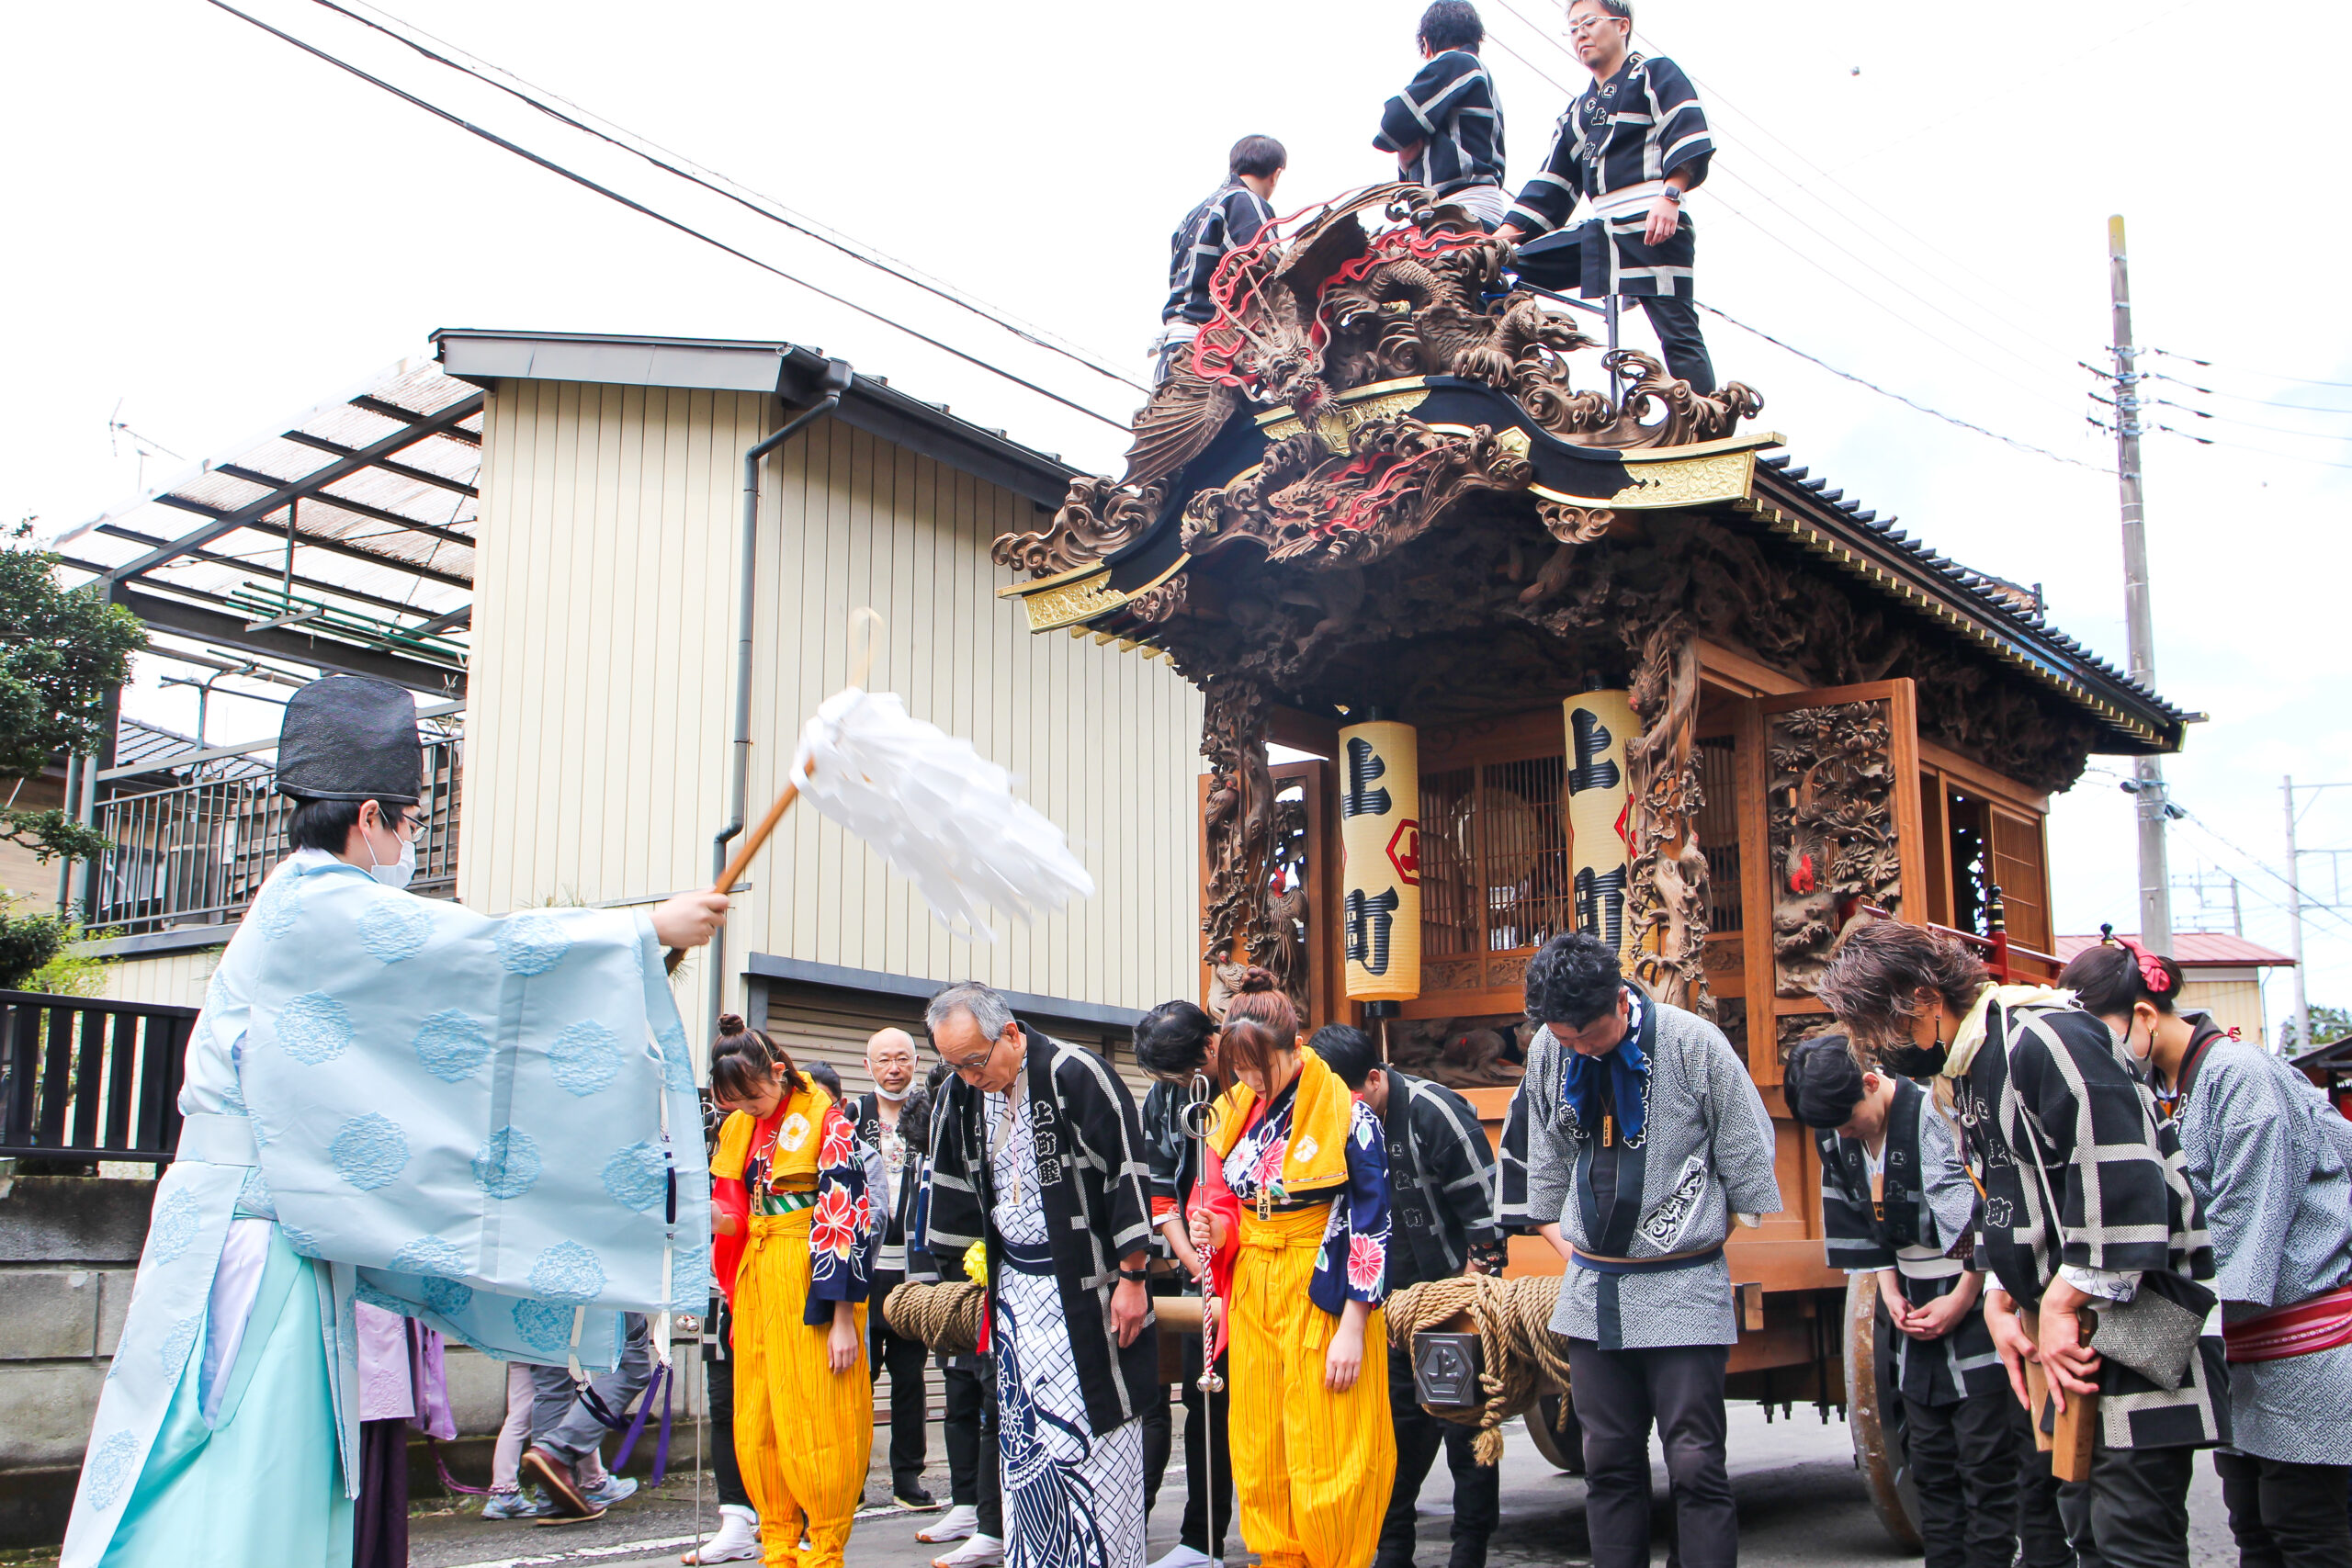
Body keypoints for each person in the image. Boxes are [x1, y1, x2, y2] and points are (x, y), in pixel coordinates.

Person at [60, 676, 722, 1568]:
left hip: (268, 1235)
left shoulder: (305, 904)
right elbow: (480, 956)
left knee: (254, 1481)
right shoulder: (319, 904)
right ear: (369, 815)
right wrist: (645, 928)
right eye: (410, 823)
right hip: (257, 1251)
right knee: (242, 1489)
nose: (410, 840)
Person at [1816, 921, 2225, 1568]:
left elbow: (2123, 1178)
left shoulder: (2045, 1035)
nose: (1877, 1053)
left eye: (1880, 1031)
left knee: (2132, 1531)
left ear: (1924, 998)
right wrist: (2002, 1295)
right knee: (2080, 1519)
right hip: (2065, 1318)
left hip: (2137, 1307)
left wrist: (2061, 1301)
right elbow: (2005, 1199)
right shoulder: (1972, 1065)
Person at [2060, 937, 2352, 1568]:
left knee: (2306, 1527)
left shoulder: (2242, 1074)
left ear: (2143, 1015)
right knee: (2253, 1523)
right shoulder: (2163, 1089)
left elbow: (2243, 1235)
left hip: (2307, 1337)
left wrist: (2121, 1339)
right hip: (2242, 1341)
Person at [1516, 931, 1780, 1568]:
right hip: (1595, 1289)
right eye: (1562, 1036)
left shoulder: (1694, 1043)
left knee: (1695, 1461)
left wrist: (1696, 1233)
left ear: (1616, 1002)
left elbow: (1746, 1158)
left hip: (1683, 1281)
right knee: (1607, 1459)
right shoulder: (1553, 1048)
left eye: (1583, 1034)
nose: (1572, 1046)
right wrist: (1575, 1251)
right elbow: (1545, 1166)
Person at [923, 981, 1158, 1568]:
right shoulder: (961, 1093)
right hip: (1012, 1292)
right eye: (955, 1065)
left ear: (1009, 1032)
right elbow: (952, 1193)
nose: (970, 1076)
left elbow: (1126, 1176)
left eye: (976, 1061)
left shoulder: (1077, 1074)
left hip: (1088, 1287)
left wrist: (1133, 1279)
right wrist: (961, 1281)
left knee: (1095, 1435)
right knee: (1023, 1439)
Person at [1785, 1035, 2018, 1568]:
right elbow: (1853, 1219)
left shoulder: (1932, 1112)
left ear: (1872, 1083)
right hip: (1909, 1297)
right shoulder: (1834, 1133)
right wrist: (1887, 1287)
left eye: (1847, 1119)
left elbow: (1979, 1216)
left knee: (1985, 1458)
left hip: (1974, 1289)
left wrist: (1963, 1297)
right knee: (1929, 1459)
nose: (1842, 1132)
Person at [1189, 971, 1395, 1568]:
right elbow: (1239, 1206)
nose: (1252, 1080)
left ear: (1294, 1044)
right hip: (1257, 1276)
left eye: (1262, 1065)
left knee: (1327, 1436)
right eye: (1241, 1067)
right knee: (1259, 1436)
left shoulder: (1350, 1117)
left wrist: (1354, 1324)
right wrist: (1218, 1229)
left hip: (1320, 1282)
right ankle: (1277, 1555)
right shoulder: (1233, 1110)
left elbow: (1371, 1223)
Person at [1307, 1024, 1502, 1568]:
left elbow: (1486, 1221)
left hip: (1448, 1304)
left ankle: (1470, 1551)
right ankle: (1393, 1552)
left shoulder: (1433, 1112)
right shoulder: (1332, 1120)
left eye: (1348, 1098)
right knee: (1388, 1444)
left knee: (1463, 1434)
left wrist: (1464, 1302)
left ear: (1374, 1078)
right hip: (1376, 1308)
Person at [709, 1021, 880, 1568]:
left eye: (753, 1096)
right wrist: (701, 1216)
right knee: (757, 1414)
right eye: (735, 1102)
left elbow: (844, 1219)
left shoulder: (828, 1122)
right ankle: (777, 1542)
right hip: (757, 1276)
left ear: (779, 1073)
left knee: (816, 1411)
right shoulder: (737, 1127)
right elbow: (735, 1214)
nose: (749, 1110)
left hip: (809, 1275)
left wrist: (843, 1318)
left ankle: (825, 1544)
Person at [1496, 0, 1719, 392]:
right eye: (1573, 27)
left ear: (1621, 25)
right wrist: (1496, 243)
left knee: (1678, 333)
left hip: (1653, 221)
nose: (1580, 32)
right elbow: (1551, 184)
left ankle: (1709, 428)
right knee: (1509, 266)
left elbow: (1686, 130)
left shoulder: (1655, 73)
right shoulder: (1577, 112)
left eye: (1589, 22)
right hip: (1601, 232)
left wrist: (1671, 195)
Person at [1133, 998, 1237, 1568]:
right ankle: (1203, 1539)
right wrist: (1195, 1267)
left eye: (1183, 1073)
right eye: (1169, 1080)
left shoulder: (1254, 1078)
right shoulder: (1165, 1098)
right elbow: (1160, 1193)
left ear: (1211, 1045)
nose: (1177, 1086)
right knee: (1206, 1402)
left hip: (1263, 1257)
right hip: (1202, 1266)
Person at [850, 1026, 941, 1512]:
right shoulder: (850, 1116)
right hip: (863, 1270)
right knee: (857, 1380)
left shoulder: (930, 1112)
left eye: (902, 1058)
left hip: (912, 1269)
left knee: (910, 1379)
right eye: (883, 1059)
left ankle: (907, 1477)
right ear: (868, 1066)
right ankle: (854, 1477)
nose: (894, 1067)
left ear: (914, 1062)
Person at [1156, 136, 1286, 384]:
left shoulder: (1192, 216)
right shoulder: (1246, 202)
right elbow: (1270, 276)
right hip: (1209, 358)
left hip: (1173, 352)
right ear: (1276, 174)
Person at [1374, 3, 1507, 229]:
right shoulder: (1481, 75)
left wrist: (1405, 156)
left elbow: (1392, 126)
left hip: (1458, 213)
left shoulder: (1455, 62)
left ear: (1426, 44)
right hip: (1480, 210)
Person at [523, 1315, 651, 1518]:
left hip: (546, 1287)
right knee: (631, 1370)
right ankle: (558, 1450)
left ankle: (552, 1500)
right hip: (614, 1286)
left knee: (552, 1384)